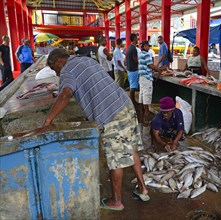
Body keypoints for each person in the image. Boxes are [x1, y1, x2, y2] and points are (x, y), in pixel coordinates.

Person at [43, 48, 149, 211]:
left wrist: (48, 120)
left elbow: (65, 94)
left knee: (115, 160)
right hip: (125, 105)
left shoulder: (67, 70)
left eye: (53, 69)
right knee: (131, 148)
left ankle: (117, 202)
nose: (56, 73)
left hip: (111, 115)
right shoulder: (85, 60)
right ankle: (143, 189)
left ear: (58, 60)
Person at [138, 40, 159, 126]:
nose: (149, 48)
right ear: (145, 46)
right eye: (148, 46)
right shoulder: (146, 54)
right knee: (146, 101)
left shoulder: (140, 54)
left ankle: (141, 119)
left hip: (141, 78)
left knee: (142, 99)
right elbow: (150, 65)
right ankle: (146, 121)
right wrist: (158, 69)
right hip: (147, 79)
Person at [126, 33, 139, 105]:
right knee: (133, 87)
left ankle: (132, 100)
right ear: (134, 39)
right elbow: (135, 60)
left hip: (129, 69)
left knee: (132, 85)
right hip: (133, 70)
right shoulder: (134, 48)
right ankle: (132, 101)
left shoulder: (129, 47)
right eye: (137, 38)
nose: (138, 39)